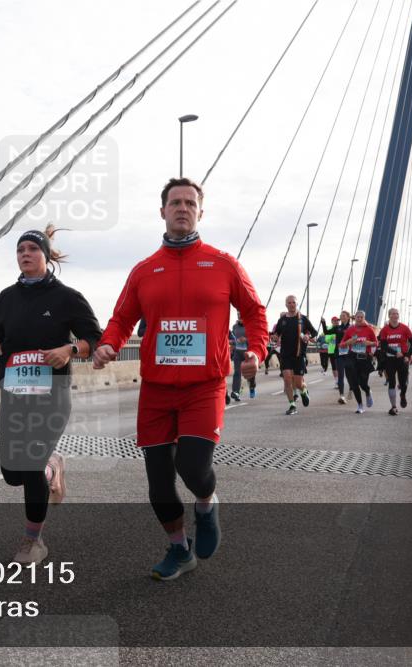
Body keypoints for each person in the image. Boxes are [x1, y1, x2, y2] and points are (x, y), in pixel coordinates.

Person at [92, 178, 268, 580]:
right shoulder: (144, 270)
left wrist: (255, 351)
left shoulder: (224, 264)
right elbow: (121, 319)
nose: (183, 208)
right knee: (158, 484)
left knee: (192, 466)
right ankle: (178, 549)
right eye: (176, 202)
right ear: (163, 211)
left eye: (190, 203)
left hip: (204, 386)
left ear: (200, 212)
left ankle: (206, 503)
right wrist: (108, 344)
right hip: (155, 388)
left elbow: (255, 313)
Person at [0, 226, 101, 564]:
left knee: (30, 464)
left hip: (52, 394)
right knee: (11, 474)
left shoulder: (67, 297)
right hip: (14, 393)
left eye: (33, 248)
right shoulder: (4, 298)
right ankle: (53, 467)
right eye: (21, 249)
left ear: (47, 256)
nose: (25, 254)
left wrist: (69, 348)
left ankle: (33, 541)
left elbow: (94, 338)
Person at [271, 296, 318, 415]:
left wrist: (308, 337)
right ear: (286, 305)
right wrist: (275, 337)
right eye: (289, 303)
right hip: (285, 355)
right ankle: (292, 405)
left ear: (297, 304)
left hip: (298, 354)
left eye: (293, 303)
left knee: (298, 383)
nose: (291, 305)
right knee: (287, 380)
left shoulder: (302, 319)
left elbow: (314, 332)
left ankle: (304, 391)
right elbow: (277, 334)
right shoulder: (282, 320)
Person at [377, 308, 412, 416]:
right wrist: (394, 352)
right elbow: (383, 346)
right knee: (392, 382)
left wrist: (408, 355)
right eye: (393, 314)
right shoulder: (384, 330)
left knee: (403, 383)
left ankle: (403, 395)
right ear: (389, 316)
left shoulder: (405, 328)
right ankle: (393, 407)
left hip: (403, 358)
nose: (395, 315)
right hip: (390, 359)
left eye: (397, 314)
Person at [341, 310, 377, 414]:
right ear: (355, 318)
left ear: (364, 318)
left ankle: (367, 391)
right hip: (352, 357)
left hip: (364, 358)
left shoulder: (369, 329)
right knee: (354, 383)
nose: (360, 319)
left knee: (363, 383)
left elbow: (376, 343)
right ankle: (360, 405)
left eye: (362, 317)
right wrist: (349, 342)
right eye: (358, 317)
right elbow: (341, 344)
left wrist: (368, 343)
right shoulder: (350, 330)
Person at [229, 316, 256, 400]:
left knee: (250, 374)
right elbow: (233, 339)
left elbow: (254, 339)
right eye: (239, 315)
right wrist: (232, 342)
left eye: (242, 315)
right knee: (237, 373)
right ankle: (236, 392)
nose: (240, 317)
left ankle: (252, 387)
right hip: (237, 352)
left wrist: (246, 340)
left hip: (248, 353)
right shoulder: (235, 326)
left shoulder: (250, 326)